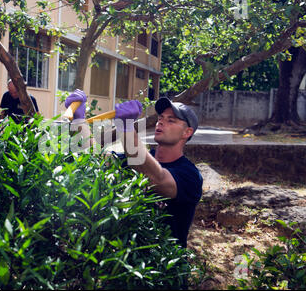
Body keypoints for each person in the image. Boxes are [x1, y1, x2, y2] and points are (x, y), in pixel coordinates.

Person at [65, 90, 203, 248]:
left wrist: (126, 128)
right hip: (127, 262)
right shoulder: (131, 158)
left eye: (171, 120)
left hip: (162, 267)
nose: (161, 122)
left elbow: (154, 177)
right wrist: (79, 120)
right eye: (160, 118)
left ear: (187, 132)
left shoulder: (190, 175)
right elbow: (93, 158)